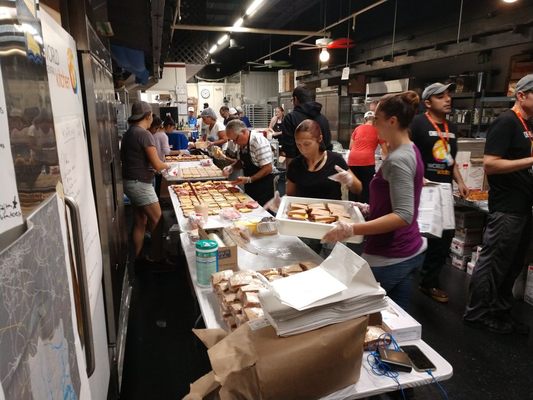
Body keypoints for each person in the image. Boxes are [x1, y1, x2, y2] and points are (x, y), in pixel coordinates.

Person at [322, 91, 427, 311]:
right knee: (396, 317)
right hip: (405, 249)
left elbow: (403, 214)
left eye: (376, 120)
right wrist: (370, 208)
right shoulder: (408, 150)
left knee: (355, 311)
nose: (373, 126)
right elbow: (395, 202)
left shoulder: (398, 159)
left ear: (392, 121)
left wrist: (352, 228)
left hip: (391, 254)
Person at [463, 74, 533, 335]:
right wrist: (530, 161)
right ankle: (477, 313)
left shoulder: (527, 125)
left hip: (523, 205)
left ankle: (500, 310)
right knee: (494, 262)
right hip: (506, 207)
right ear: (521, 95)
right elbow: (490, 164)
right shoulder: (506, 122)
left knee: (513, 262)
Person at [410, 82, 469, 303]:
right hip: (422, 189)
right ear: (427, 102)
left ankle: (429, 282)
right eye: (440, 96)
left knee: (444, 237)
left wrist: (460, 181)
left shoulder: (451, 128)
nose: (448, 99)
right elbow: (406, 152)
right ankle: (406, 275)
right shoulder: (416, 124)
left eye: (448, 95)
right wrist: (417, 176)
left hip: (444, 189)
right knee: (418, 234)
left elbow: (449, 158)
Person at [121, 101, 170, 264]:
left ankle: (139, 258)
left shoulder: (129, 133)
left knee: (140, 220)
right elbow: (157, 164)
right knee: (158, 220)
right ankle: (158, 259)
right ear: (148, 116)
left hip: (130, 182)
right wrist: (170, 165)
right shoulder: (144, 134)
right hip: (140, 184)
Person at [286, 119, 361, 200]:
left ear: (320, 138)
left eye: (307, 144)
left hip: (332, 210)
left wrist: (350, 180)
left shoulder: (335, 160)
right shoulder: (295, 164)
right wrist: (282, 203)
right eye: (298, 145)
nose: (302, 149)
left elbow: (358, 189)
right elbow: (290, 194)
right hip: (304, 211)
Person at [223, 119, 274, 205]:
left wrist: (250, 179)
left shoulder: (258, 142)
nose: (235, 143)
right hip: (250, 185)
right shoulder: (241, 142)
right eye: (233, 141)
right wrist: (231, 167)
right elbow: (241, 162)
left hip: (263, 186)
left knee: (263, 213)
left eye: (236, 139)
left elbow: (268, 168)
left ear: (243, 132)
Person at [281, 86, 332, 165]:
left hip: (300, 171)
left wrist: (289, 175)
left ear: (295, 99)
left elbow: (290, 152)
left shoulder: (290, 118)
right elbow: (328, 148)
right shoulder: (323, 119)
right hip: (321, 169)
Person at [347, 110, 387, 203]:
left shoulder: (357, 129)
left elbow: (350, 147)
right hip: (367, 161)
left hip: (352, 160)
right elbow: (385, 150)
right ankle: (364, 212)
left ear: (364, 120)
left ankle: (352, 209)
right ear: (375, 121)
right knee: (366, 188)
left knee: (353, 187)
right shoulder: (378, 131)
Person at [149, 115, 171, 197]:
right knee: (156, 188)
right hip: (155, 166)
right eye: (155, 128)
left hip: (153, 166)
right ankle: (158, 202)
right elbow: (166, 151)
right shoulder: (162, 135)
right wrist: (167, 165)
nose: (156, 131)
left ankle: (157, 200)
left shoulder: (150, 134)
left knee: (155, 188)